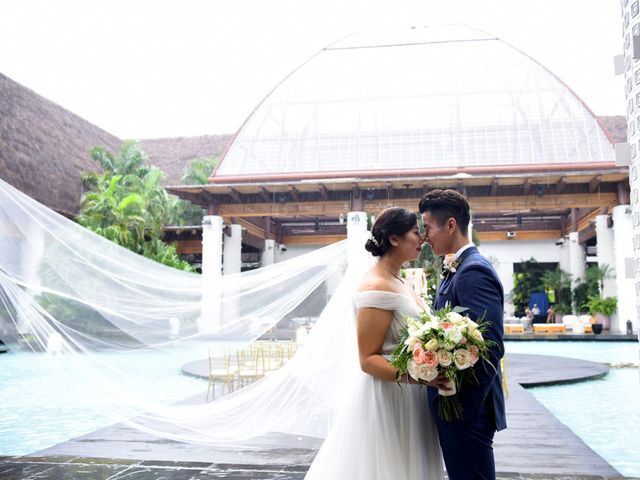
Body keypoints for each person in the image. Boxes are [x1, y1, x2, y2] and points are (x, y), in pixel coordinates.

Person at [305, 207, 445, 479]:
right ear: (394, 239)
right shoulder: (375, 286)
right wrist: (420, 378)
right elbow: (367, 359)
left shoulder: (399, 279)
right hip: (391, 396)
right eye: (416, 233)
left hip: (412, 393)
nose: (422, 239)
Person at [419, 189, 507, 480]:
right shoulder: (455, 268)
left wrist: (461, 410)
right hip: (455, 407)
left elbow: (490, 346)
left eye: (428, 227)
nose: (425, 236)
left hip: (467, 409)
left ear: (451, 225)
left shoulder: (473, 271)